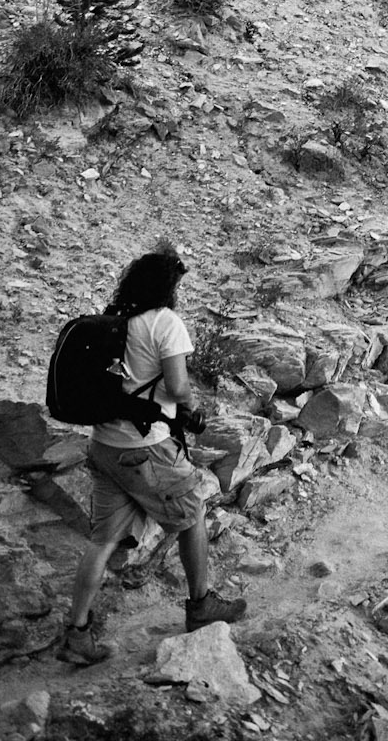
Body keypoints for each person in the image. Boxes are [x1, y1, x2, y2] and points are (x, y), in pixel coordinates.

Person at [61, 244, 246, 667]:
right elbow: (178, 388)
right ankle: (200, 606)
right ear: (168, 288)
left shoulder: (117, 319)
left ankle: (77, 634)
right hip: (146, 449)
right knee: (192, 512)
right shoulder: (165, 322)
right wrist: (189, 403)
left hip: (105, 445)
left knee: (102, 540)